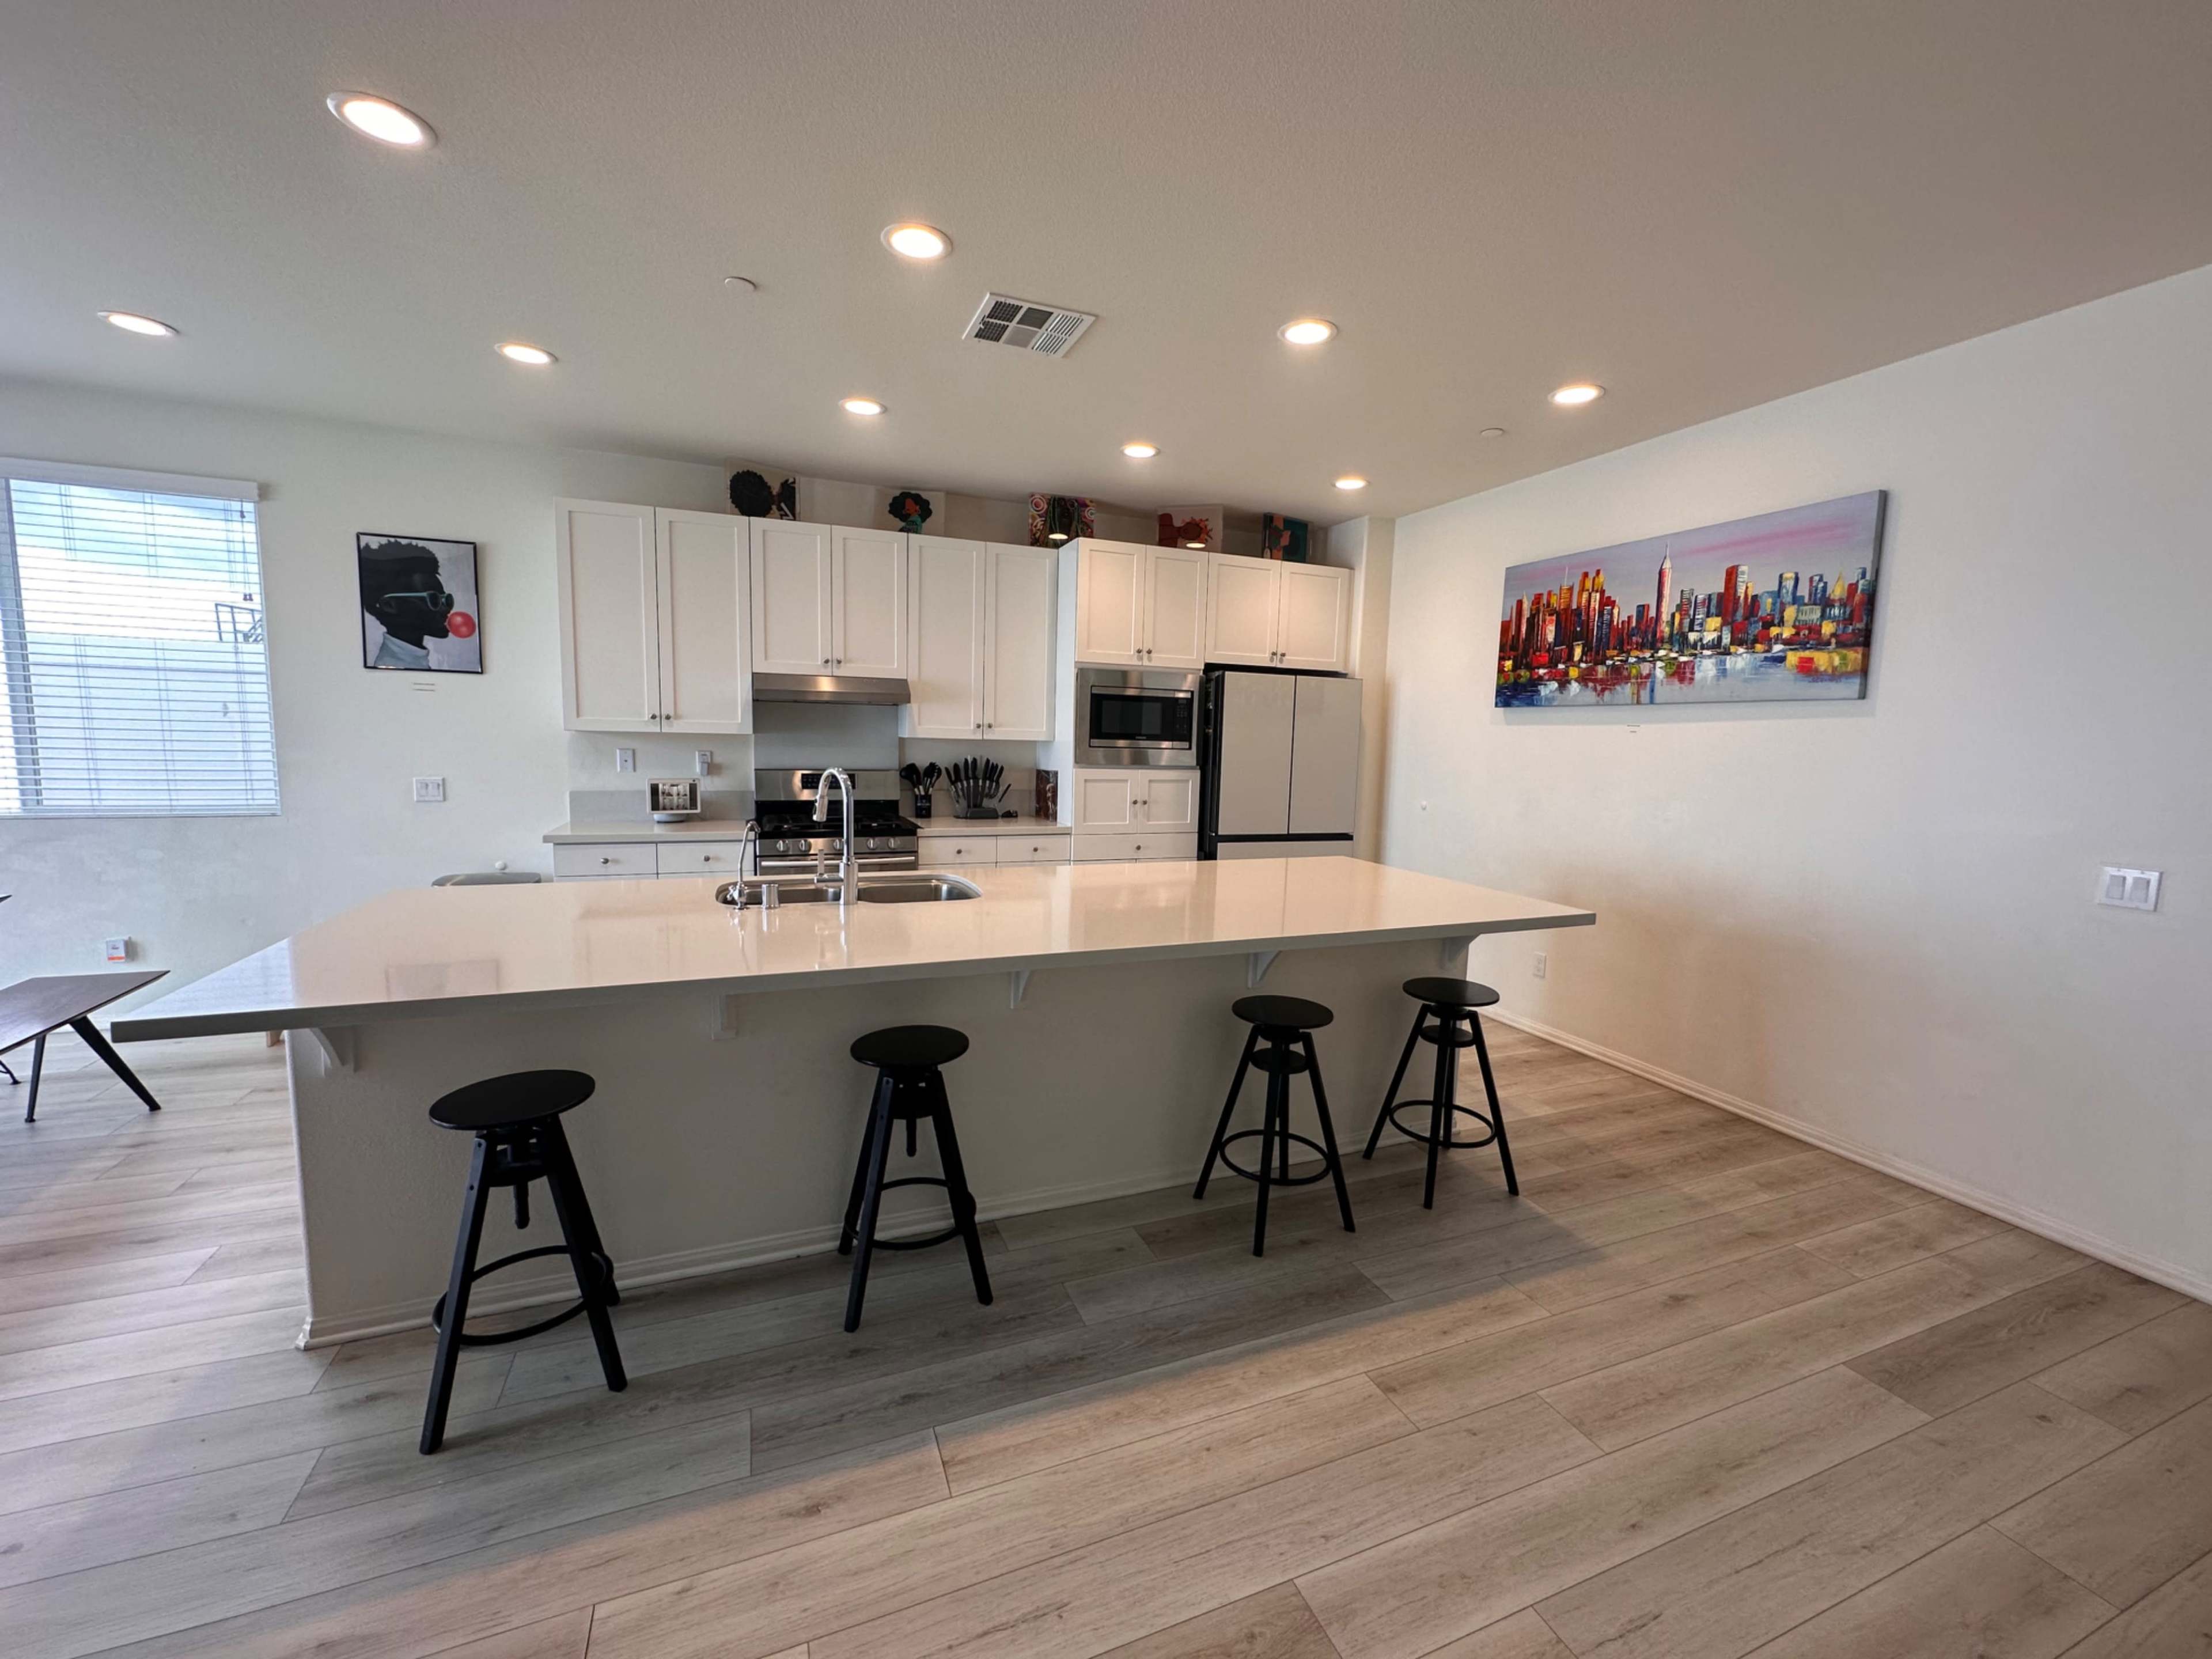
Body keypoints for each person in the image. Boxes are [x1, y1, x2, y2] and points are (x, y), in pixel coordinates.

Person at [361, 541, 455, 669]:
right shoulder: (394, 667)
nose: (446, 609)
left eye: (447, 600)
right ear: (390, 605)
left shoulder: (413, 661)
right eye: (434, 600)